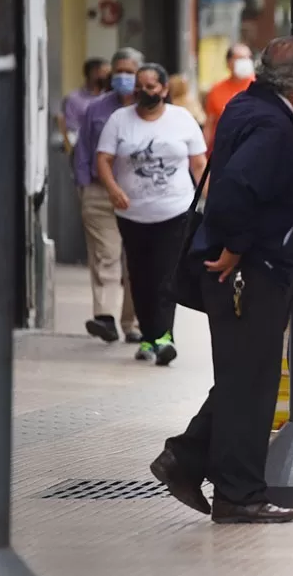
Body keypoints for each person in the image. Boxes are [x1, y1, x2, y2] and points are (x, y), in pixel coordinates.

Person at [150, 36, 293, 525]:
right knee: (250, 385)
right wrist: (235, 246)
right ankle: (238, 493)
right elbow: (235, 189)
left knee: (243, 379)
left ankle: (187, 459)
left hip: (246, 270)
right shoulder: (272, 127)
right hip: (248, 273)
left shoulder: (249, 105)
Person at [96, 63, 207, 365]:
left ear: (164, 89)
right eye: (140, 86)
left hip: (175, 211)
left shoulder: (182, 120)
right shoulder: (120, 120)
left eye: (151, 86)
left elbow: (199, 164)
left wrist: (210, 201)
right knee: (140, 276)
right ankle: (148, 337)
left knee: (166, 274)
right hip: (133, 215)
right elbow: (103, 159)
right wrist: (113, 189)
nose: (145, 91)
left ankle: (164, 337)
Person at [75, 48, 143, 344]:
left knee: (136, 261)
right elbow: (82, 149)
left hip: (139, 195)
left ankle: (134, 323)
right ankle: (105, 317)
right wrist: (83, 187)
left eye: (130, 71)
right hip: (99, 192)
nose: (124, 77)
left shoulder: (151, 107)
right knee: (106, 256)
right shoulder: (97, 108)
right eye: (119, 72)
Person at [203, 43, 255, 147]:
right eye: (240, 58)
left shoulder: (260, 87)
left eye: (248, 57)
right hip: (225, 147)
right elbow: (210, 124)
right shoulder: (216, 90)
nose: (246, 62)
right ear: (229, 62)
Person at [60, 57, 111, 153]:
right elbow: (71, 128)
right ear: (93, 73)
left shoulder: (109, 98)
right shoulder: (74, 99)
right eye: (105, 73)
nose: (108, 77)